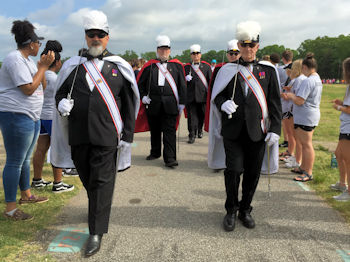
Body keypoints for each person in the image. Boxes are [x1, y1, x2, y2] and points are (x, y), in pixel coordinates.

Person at [54, 10, 139, 256]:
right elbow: (60, 93)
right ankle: (97, 208)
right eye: (92, 35)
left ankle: (96, 231)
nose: (95, 39)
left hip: (106, 136)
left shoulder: (118, 67)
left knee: (102, 181)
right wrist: (61, 104)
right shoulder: (72, 66)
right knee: (88, 177)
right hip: (79, 135)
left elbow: (130, 103)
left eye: (100, 35)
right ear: (85, 36)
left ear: (107, 38)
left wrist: (128, 137)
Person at [211, 21, 281, 231]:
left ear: (257, 46)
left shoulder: (268, 71)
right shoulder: (226, 70)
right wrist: (223, 102)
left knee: (252, 173)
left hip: (257, 131)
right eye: (244, 45)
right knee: (233, 171)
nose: (248, 49)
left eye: (252, 45)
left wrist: (276, 129)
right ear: (239, 46)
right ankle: (231, 209)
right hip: (233, 130)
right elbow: (216, 95)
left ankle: (245, 209)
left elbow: (275, 103)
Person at [0, 20, 54, 220]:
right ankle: (11, 209)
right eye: (38, 42)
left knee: (23, 160)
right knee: (15, 161)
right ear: (31, 43)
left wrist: (42, 67)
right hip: (16, 115)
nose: (40, 45)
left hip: (30, 116)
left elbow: (42, 86)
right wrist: (42, 67)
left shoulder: (28, 61)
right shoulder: (14, 59)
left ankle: (26, 195)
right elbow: (28, 88)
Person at [136, 35, 186, 167]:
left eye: (166, 49)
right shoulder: (149, 66)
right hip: (153, 103)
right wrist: (143, 97)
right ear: (157, 50)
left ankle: (170, 158)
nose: (164, 51)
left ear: (169, 50)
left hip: (170, 103)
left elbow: (182, 86)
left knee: (170, 132)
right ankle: (155, 152)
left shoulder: (177, 66)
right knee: (155, 130)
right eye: (161, 49)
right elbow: (140, 85)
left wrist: (182, 103)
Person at [31, 40, 75, 193]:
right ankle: (58, 183)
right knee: (57, 148)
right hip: (51, 117)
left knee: (41, 148)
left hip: (41, 115)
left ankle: (37, 179)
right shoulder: (55, 78)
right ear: (56, 62)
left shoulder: (40, 74)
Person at [281, 53, 322, 182]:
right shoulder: (316, 78)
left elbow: (299, 100)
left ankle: (308, 172)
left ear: (304, 67)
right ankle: (303, 167)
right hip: (307, 115)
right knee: (304, 144)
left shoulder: (309, 80)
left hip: (306, 116)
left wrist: (290, 95)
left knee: (306, 144)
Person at [206, 39, 240, 171]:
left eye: (236, 53)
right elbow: (215, 89)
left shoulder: (246, 68)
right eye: (231, 53)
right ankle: (221, 161)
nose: (233, 56)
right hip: (224, 107)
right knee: (223, 135)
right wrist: (222, 103)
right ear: (227, 54)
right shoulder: (220, 68)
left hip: (240, 108)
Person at [331, 57, 350, 201]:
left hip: (348, 127)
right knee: (339, 154)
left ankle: (348, 192)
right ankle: (343, 183)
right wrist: (342, 103)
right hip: (345, 126)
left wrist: (338, 107)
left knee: (347, 159)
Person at [184, 44, 212, 143]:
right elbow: (181, 82)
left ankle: (200, 130)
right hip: (190, 96)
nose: (195, 55)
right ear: (191, 55)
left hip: (203, 96)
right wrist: (185, 79)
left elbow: (210, 82)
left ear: (200, 55)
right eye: (193, 54)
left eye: (197, 53)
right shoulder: (186, 67)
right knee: (192, 117)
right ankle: (191, 134)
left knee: (202, 115)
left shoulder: (207, 67)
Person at [282, 60, 307, 171]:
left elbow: (295, 95)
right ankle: (295, 157)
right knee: (292, 134)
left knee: (294, 135)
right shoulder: (299, 79)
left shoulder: (299, 79)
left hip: (292, 109)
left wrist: (285, 93)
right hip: (292, 109)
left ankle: (297, 159)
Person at [279, 50, 294, 149]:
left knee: (286, 123)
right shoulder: (296, 67)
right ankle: (289, 145)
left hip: (284, 96)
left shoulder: (280, 69)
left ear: (283, 58)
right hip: (292, 97)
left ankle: (286, 141)